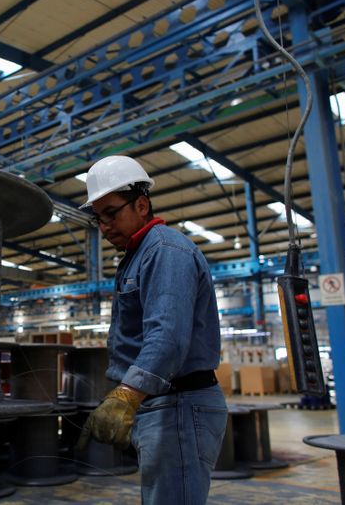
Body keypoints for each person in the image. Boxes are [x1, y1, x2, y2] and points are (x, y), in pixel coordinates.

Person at [76, 155, 227, 505]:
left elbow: (168, 336)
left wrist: (128, 394)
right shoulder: (139, 254)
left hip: (178, 404)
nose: (105, 226)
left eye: (112, 213)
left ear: (141, 204)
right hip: (165, 404)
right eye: (99, 218)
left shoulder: (164, 250)